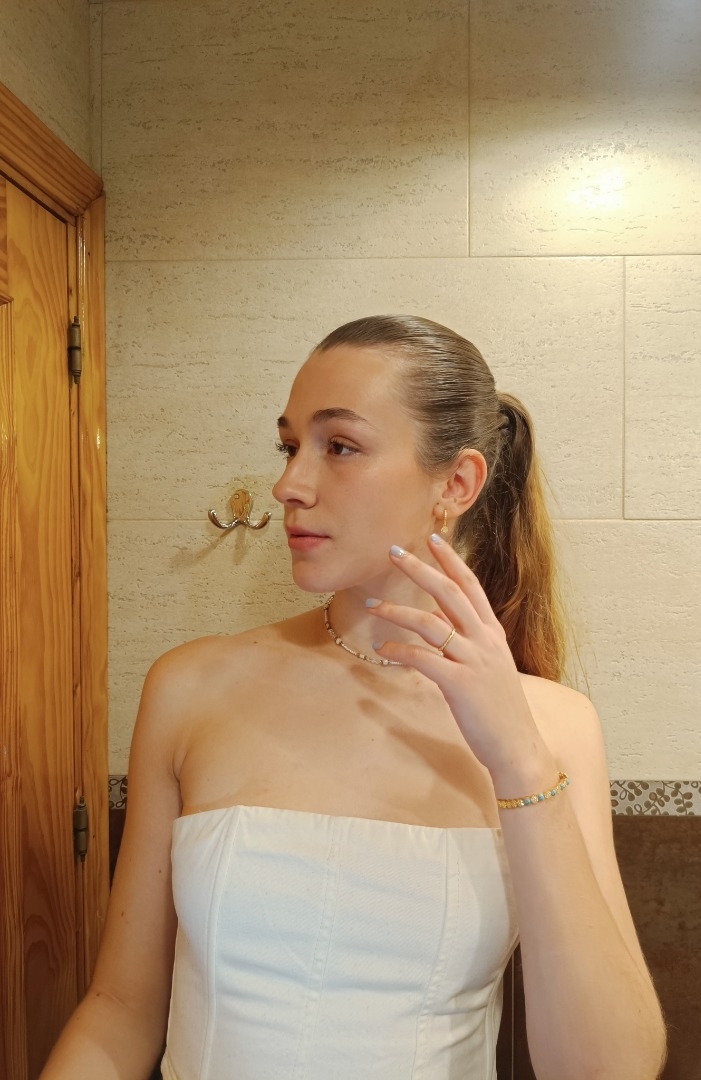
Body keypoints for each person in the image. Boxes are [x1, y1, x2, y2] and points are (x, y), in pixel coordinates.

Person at [43, 315, 666, 1080]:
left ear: (456, 484)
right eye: (289, 446)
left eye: (339, 446)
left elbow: (610, 1069)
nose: (289, 485)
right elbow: (119, 1012)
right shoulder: (190, 689)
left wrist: (519, 761)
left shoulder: (554, 729)